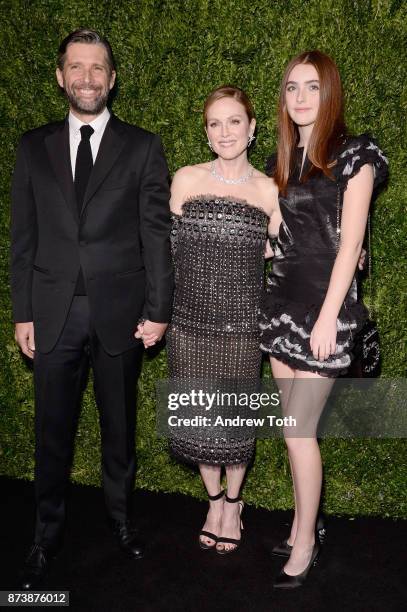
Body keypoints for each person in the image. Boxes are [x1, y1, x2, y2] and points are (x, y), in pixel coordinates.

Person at [10, 29, 173, 589]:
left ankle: (122, 523)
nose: (87, 77)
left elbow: (156, 235)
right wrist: (22, 312)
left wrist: (159, 309)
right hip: (52, 313)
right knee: (50, 434)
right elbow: (23, 239)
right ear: (60, 77)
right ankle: (44, 538)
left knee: (119, 431)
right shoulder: (33, 147)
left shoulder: (143, 146)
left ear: (112, 78)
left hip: (121, 315)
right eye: (76, 67)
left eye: (97, 68)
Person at [259, 50, 388, 588]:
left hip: (323, 309)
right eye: (292, 87)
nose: (301, 97)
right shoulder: (281, 160)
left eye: (312, 87)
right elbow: (275, 234)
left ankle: (308, 541)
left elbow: (351, 239)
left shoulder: (355, 152)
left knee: (298, 432)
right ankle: (299, 523)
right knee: (294, 432)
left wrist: (330, 316)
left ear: (329, 92)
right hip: (280, 302)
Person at [164, 86, 279, 554]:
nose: (225, 132)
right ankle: (213, 501)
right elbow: (165, 256)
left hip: (240, 329)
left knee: (232, 425)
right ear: (207, 133)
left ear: (251, 129)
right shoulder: (186, 180)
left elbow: (287, 253)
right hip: (189, 325)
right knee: (197, 420)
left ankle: (233, 504)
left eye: (235, 121)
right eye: (215, 123)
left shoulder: (269, 190)